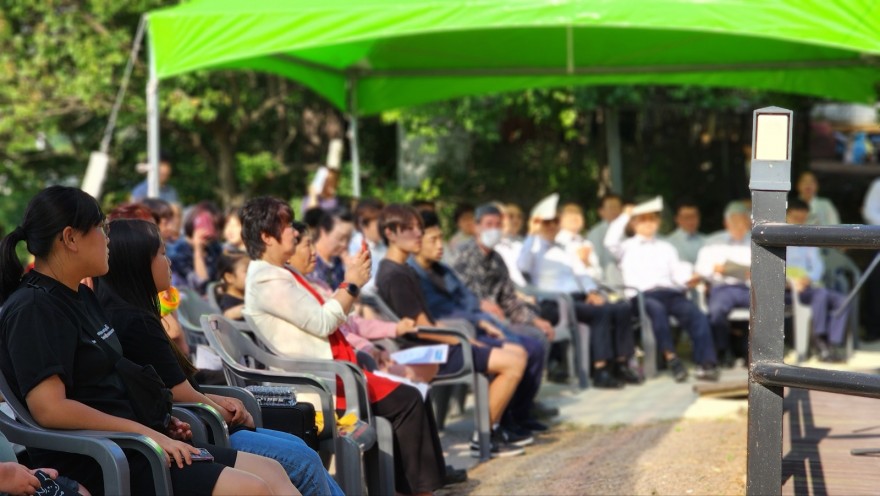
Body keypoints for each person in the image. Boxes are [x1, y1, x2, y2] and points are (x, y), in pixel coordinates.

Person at [0, 186, 297, 495]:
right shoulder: (34, 308)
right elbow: (51, 409)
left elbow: (106, 383)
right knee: (252, 489)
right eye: (100, 228)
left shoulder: (82, 297)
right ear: (70, 238)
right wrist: (145, 433)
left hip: (133, 444)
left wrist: (160, 421)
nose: (107, 239)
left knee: (271, 471)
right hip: (100, 457)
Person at [95, 219, 338, 496]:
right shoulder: (135, 321)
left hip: (196, 422)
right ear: (138, 264)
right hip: (200, 428)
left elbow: (180, 384)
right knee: (302, 461)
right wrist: (224, 410)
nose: (170, 262)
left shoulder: (125, 313)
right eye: (162, 254)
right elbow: (181, 393)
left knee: (302, 453)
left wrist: (220, 400)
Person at [239, 197, 448, 495]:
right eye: (286, 225)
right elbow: (324, 322)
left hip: (339, 370)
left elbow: (331, 317)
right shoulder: (265, 279)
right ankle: (414, 490)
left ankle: (407, 488)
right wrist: (350, 284)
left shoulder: (281, 272)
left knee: (408, 397)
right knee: (408, 400)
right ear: (266, 236)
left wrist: (352, 285)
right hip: (322, 382)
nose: (294, 233)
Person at [374, 204, 528, 457]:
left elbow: (427, 324)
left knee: (516, 351)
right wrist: (463, 341)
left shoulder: (402, 269)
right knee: (513, 362)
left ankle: (493, 429)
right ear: (390, 233)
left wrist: (462, 337)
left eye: (419, 228)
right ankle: (485, 436)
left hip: (437, 345)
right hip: (426, 354)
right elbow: (421, 329)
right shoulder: (394, 274)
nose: (418, 235)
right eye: (410, 229)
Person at [410, 210, 550, 433]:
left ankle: (519, 415)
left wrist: (484, 320)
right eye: (433, 240)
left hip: (478, 325)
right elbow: (437, 317)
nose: (441, 246)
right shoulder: (414, 276)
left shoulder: (443, 270)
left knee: (534, 345)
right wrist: (479, 321)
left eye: (440, 239)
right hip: (455, 337)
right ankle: (496, 426)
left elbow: (472, 301)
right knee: (519, 351)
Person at [520, 194, 640, 388]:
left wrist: (592, 291)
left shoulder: (565, 248)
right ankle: (601, 369)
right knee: (600, 313)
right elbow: (522, 266)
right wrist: (532, 233)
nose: (551, 226)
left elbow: (582, 273)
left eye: (555, 222)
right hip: (554, 304)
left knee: (621, 308)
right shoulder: (533, 249)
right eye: (546, 223)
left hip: (578, 298)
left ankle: (621, 363)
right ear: (539, 225)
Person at [604, 196, 720, 382]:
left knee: (695, 313)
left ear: (658, 222)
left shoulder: (667, 247)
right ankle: (671, 358)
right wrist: (625, 216)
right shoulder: (626, 247)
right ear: (634, 224)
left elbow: (678, 273)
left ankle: (706, 363)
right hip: (642, 296)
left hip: (669, 292)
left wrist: (690, 279)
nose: (648, 223)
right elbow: (610, 241)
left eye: (652, 219)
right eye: (643, 220)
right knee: (656, 310)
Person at [787, 199, 849, 362]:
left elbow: (817, 266)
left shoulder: (808, 238)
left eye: (803, 219)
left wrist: (808, 278)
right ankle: (820, 341)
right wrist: (792, 281)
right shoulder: (778, 236)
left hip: (810, 286)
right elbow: (775, 266)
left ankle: (833, 344)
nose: (800, 222)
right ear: (787, 216)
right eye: (796, 218)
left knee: (842, 300)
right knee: (820, 294)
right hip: (788, 289)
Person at [694, 201, 752, 363]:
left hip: (748, 287)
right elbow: (700, 270)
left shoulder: (755, 240)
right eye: (735, 222)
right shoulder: (713, 242)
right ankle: (722, 348)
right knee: (716, 311)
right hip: (722, 288)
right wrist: (714, 269)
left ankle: (753, 351)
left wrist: (754, 272)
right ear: (726, 223)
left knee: (765, 308)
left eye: (743, 222)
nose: (740, 226)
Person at [167, 201, 224, 295]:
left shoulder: (215, 248)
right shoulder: (177, 252)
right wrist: (198, 249)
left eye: (215, 226)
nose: (211, 231)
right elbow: (202, 285)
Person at [309, 208, 355, 290]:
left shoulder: (339, 261)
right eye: (340, 238)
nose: (344, 244)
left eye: (348, 239)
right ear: (323, 232)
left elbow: (355, 296)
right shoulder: (309, 260)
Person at [348, 199, 386, 290]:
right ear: (363, 224)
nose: (384, 227)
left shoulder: (383, 244)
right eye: (379, 224)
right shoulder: (355, 247)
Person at [587, 193, 624, 284]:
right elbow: (595, 259)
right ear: (601, 211)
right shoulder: (596, 233)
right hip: (608, 283)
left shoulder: (628, 229)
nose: (615, 211)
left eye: (618, 207)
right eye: (611, 208)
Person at [664, 199, 706, 265]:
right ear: (677, 219)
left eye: (694, 216)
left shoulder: (707, 241)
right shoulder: (668, 244)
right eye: (686, 217)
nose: (690, 221)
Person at [215, 253, 250, 321]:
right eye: (247, 271)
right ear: (229, 277)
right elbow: (228, 315)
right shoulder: (227, 301)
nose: (253, 274)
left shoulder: (249, 294)